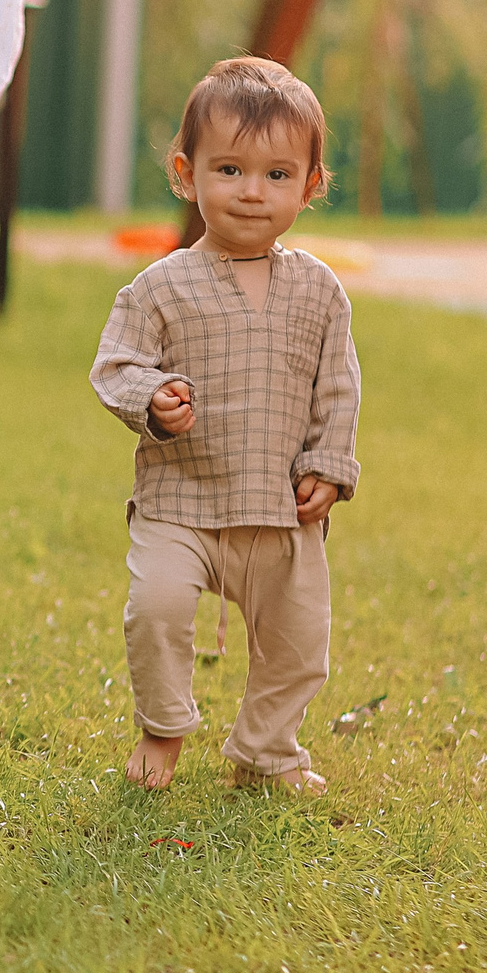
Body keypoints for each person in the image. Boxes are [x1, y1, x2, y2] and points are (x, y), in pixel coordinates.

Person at [90, 57, 360, 794]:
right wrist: (152, 398)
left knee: (300, 642)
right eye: (230, 168)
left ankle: (267, 750)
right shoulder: (160, 287)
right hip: (183, 500)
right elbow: (114, 366)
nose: (251, 191)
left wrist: (329, 466)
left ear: (310, 186)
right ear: (187, 172)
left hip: (279, 507)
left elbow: (336, 385)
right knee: (158, 607)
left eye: (277, 175)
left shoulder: (319, 291)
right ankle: (163, 729)